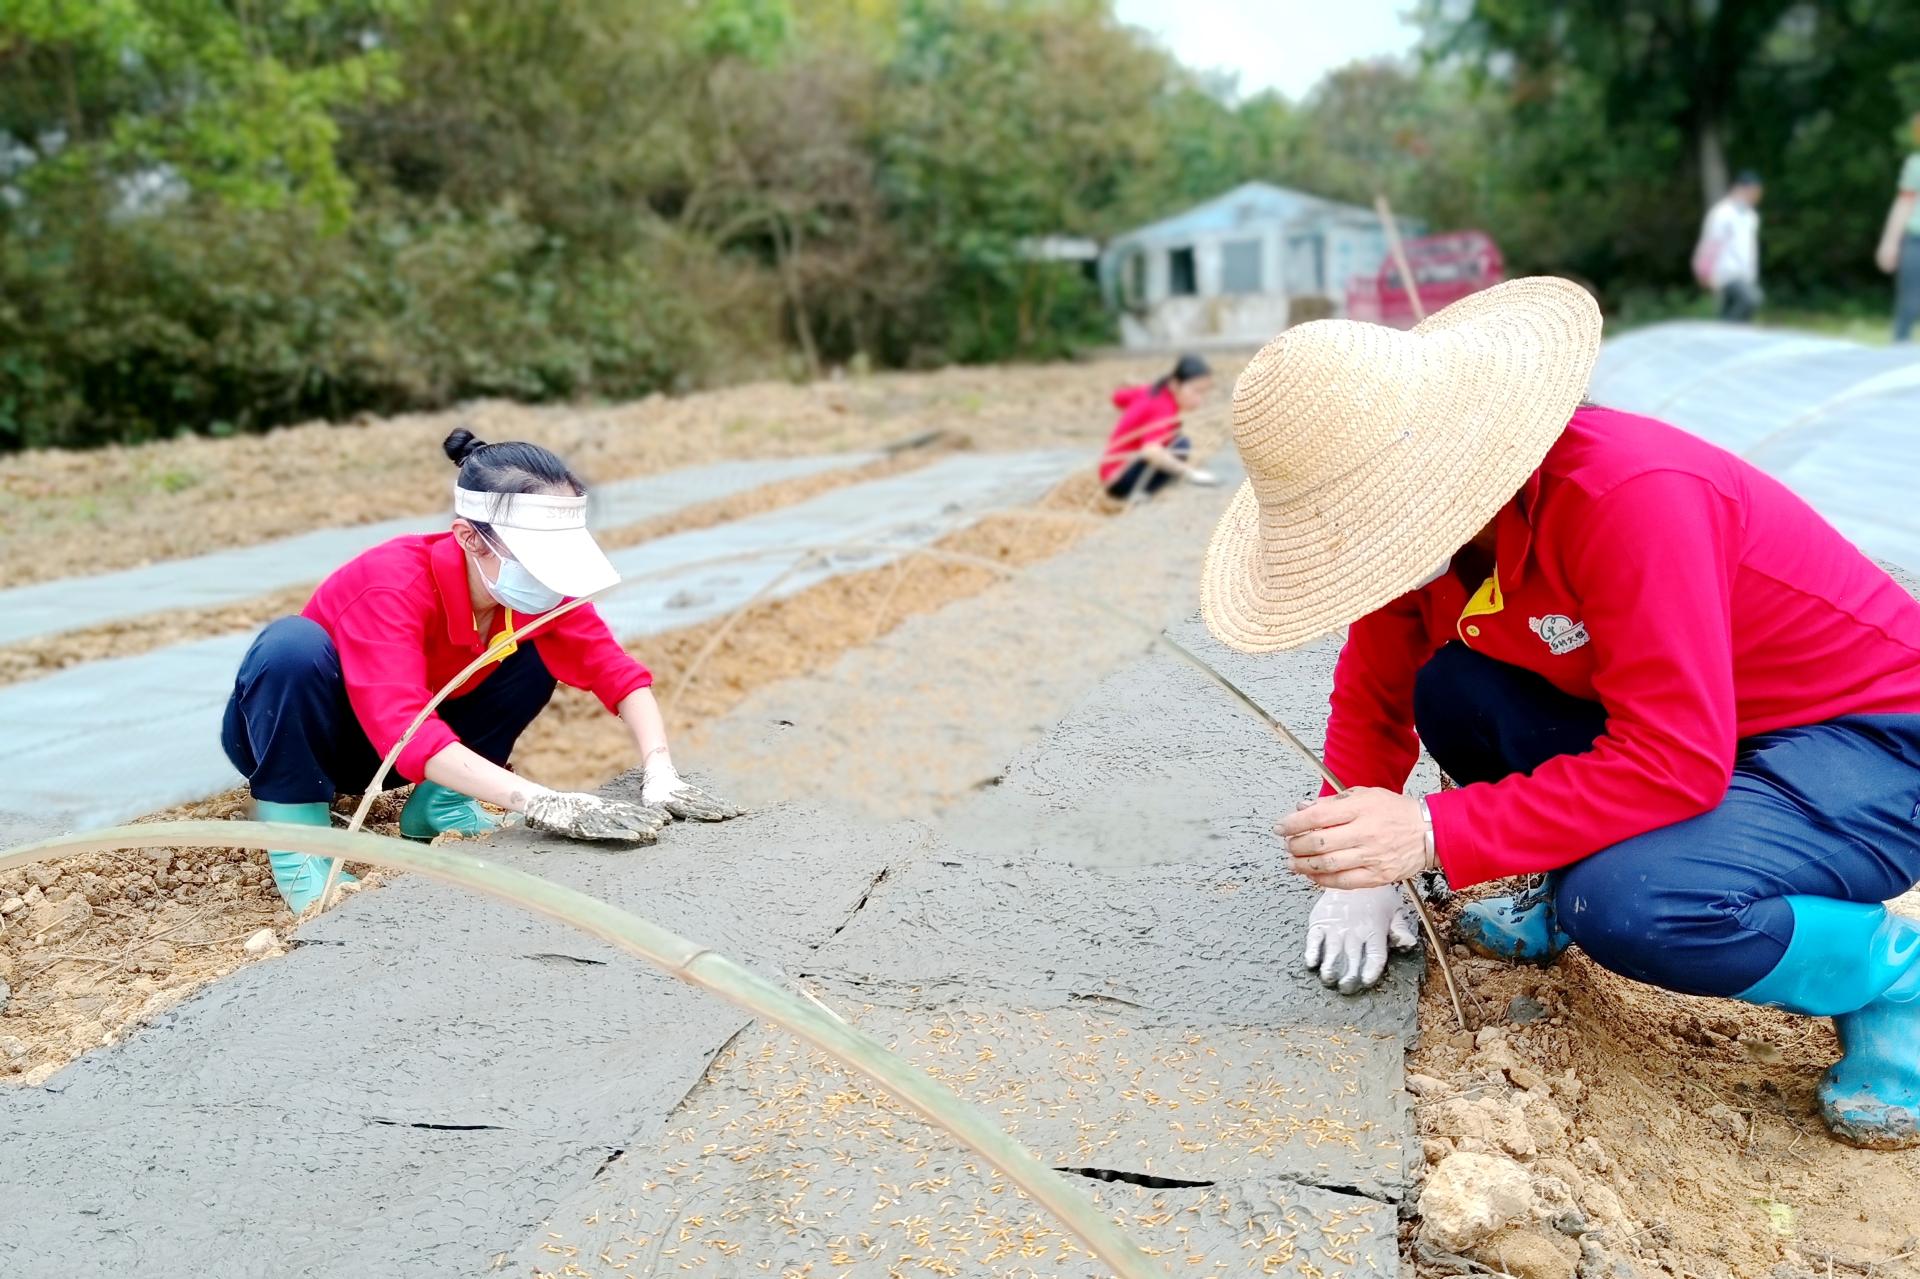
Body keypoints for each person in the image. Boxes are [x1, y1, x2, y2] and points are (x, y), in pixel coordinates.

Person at [1200, 277, 1920, 1149]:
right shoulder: (1426, 541)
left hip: (1867, 744)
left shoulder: (1630, 498)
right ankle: (1569, 866)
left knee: (1634, 904)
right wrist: (1361, 867)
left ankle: (1891, 979)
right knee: (1455, 692)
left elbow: (1673, 762)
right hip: (1704, 723)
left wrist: (1426, 832)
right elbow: (1376, 689)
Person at [222, 430, 740, 913]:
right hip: (312, 739)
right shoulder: (392, 584)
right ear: (469, 538)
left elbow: (616, 673)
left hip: (412, 752)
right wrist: (541, 801)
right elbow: (402, 727)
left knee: (534, 655)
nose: (547, 577)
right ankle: (299, 841)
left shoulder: (535, 597)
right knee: (290, 647)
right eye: (535, 557)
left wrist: (660, 770)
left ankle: (439, 806)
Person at [1099, 354, 1220, 500]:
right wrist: (1189, 473)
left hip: (1108, 473)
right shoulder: (1164, 408)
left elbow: (1117, 398)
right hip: (1120, 481)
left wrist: (1136, 387)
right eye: (1196, 391)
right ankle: (1140, 494)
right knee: (1181, 444)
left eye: (1203, 393)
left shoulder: (1150, 390)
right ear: (1175, 385)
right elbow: (1150, 450)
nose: (1199, 399)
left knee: (1174, 438)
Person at [1693, 171, 1765, 322]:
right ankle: (1728, 333)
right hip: (1727, 272)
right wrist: (1704, 272)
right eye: (1753, 192)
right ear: (1740, 189)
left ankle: (1723, 338)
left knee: (1732, 312)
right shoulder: (1722, 213)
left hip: (1745, 273)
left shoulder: (1751, 217)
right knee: (1751, 299)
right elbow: (1711, 243)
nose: (1756, 197)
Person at [1875, 112, 1920, 342]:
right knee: (1910, 304)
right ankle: (1899, 351)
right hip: (1916, 241)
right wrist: (1889, 243)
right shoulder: (1915, 165)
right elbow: (1904, 204)